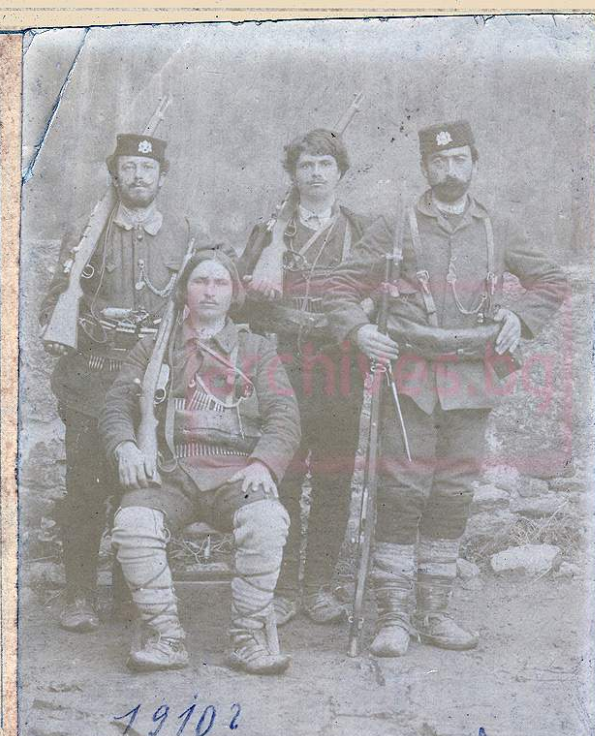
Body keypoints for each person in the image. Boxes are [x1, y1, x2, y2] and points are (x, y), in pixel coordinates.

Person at [325, 120, 568, 656]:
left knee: (454, 492)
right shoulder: (396, 226)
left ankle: (434, 612)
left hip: (471, 377)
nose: (450, 170)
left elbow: (551, 280)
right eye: (439, 162)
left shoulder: (498, 226)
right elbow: (340, 285)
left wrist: (520, 318)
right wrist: (360, 330)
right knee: (400, 491)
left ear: (474, 163)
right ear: (424, 168)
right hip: (409, 376)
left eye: (459, 159)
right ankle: (393, 616)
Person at [99, 249, 301, 674]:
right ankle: (166, 636)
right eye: (200, 281)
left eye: (220, 282)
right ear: (184, 291)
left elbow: (284, 416)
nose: (210, 291)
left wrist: (264, 464)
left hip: (237, 474)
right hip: (170, 474)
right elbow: (116, 405)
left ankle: (247, 637)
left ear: (234, 293)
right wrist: (126, 448)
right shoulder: (154, 348)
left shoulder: (257, 349)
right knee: (133, 524)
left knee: (267, 520)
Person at [39, 134, 208, 632]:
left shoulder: (183, 235)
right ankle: (79, 595)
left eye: (147, 169)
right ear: (116, 175)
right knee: (85, 491)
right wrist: (94, 323)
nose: (138, 176)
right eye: (129, 167)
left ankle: (130, 596)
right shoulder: (89, 232)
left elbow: (199, 307)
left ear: (162, 177)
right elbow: (55, 305)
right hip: (91, 381)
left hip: (149, 382)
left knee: (139, 489)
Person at [240, 128, 375, 626]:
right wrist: (263, 278)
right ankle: (280, 589)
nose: (316, 174)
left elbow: (384, 290)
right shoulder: (270, 231)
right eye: (306, 165)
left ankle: (318, 585)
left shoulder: (361, 230)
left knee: (334, 479)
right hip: (283, 367)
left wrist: (365, 312)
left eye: (325, 164)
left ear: (340, 172)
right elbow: (242, 304)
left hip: (340, 369)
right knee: (285, 475)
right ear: (293, 174)